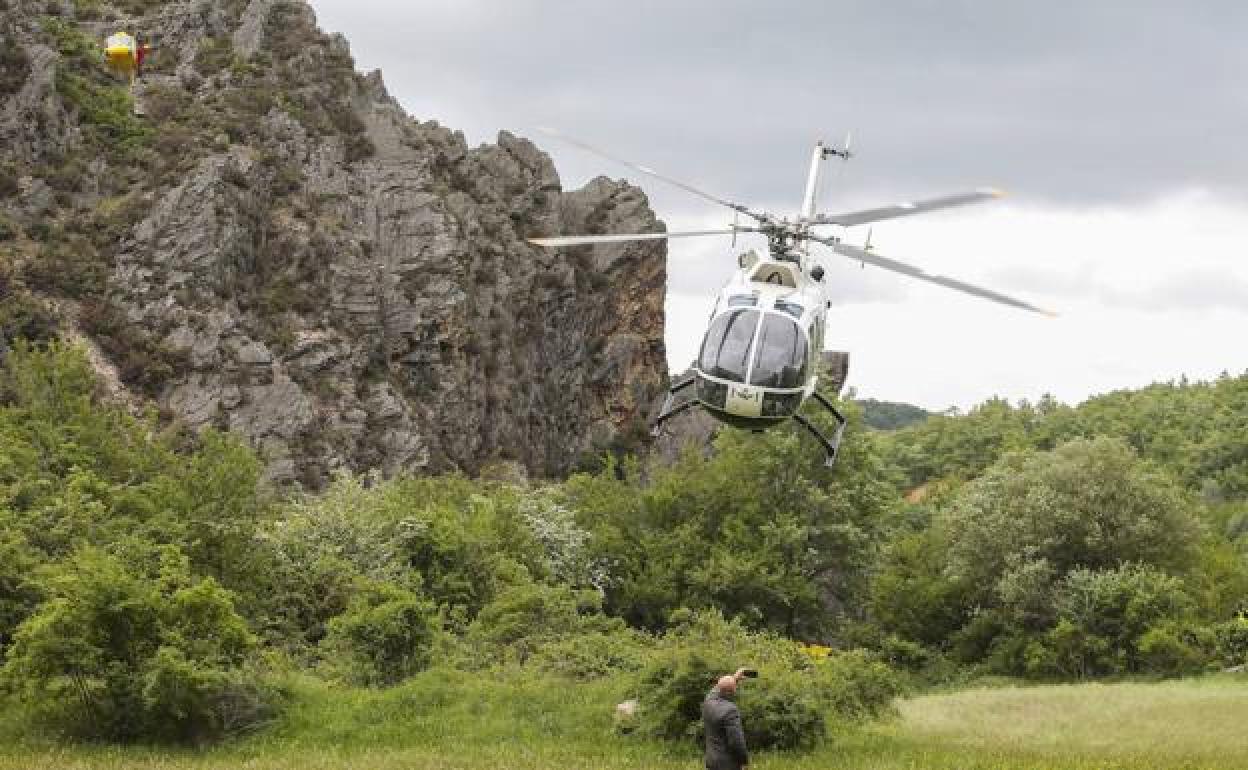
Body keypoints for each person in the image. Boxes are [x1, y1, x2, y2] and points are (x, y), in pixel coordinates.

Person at [702, 668, 750, 770]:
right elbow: (736, 742)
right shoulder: (730, 711)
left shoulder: (708, 702)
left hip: (711, 762)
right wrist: (744, 761)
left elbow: (716, 689)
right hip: (728, 765)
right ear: (731, 692)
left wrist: (734, 678)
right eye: (734, 688)